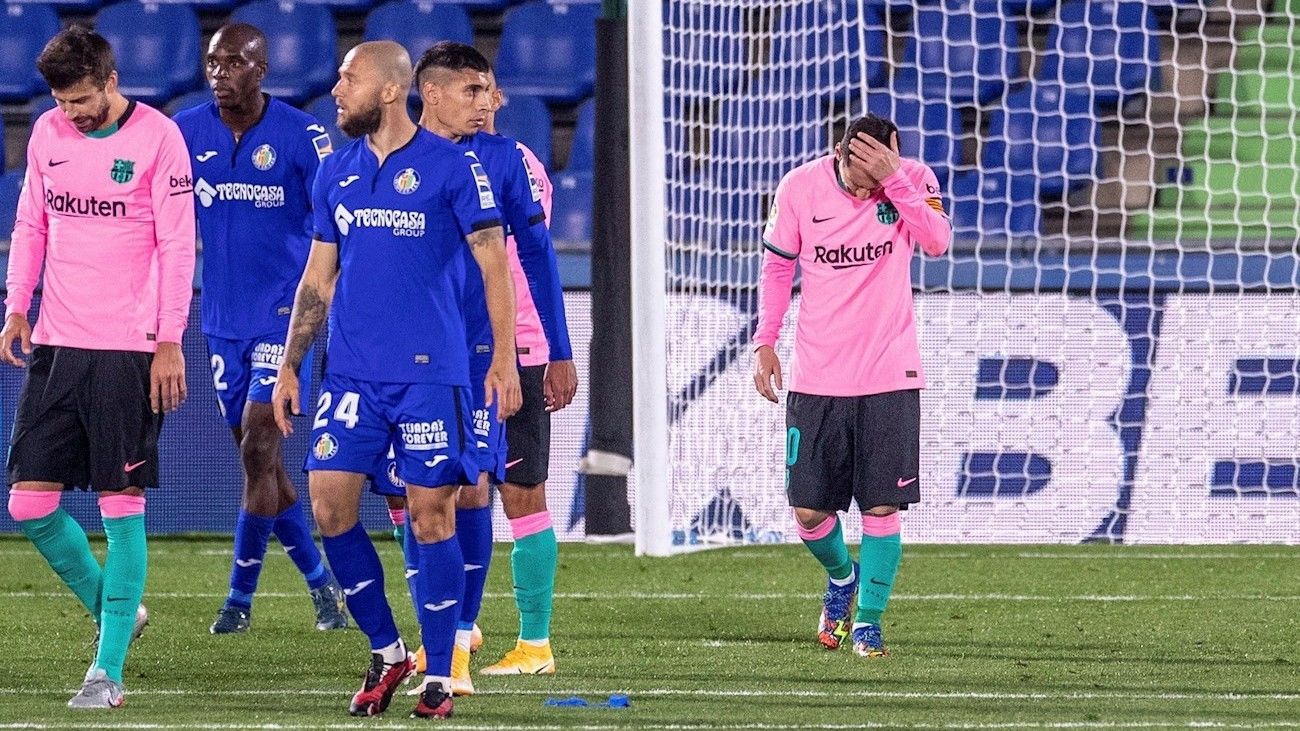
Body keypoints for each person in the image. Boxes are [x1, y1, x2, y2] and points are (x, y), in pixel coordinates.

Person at [270, 41, 520, 720]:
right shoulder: (336, 173)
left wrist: (503, 356)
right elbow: (318, 277)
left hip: (429, 378)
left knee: (433, 514)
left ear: (388, 90)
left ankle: (440, 671)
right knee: (329, 507)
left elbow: (494, 262)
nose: (336, 90)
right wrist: (290, 363)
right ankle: (387, 648)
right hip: (350, 375)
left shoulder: (453, 168)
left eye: (348, 78)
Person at [1, 26, 195, 708]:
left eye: (81, 98)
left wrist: (168, 338)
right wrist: (17, 305)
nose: (71, 112)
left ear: (110, 81)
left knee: (121, 506)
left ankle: (106, 671)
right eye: (61, 99)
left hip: (129, 348)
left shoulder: (159, 139)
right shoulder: (49, 133)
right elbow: (32, 223)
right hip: (58, 342)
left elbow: (177, 243)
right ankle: (120, 611)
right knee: (29, 502)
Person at [394, 43, 575, 695]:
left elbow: (533, 258)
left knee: (495, 492)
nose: (488, 101)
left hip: (503, 354)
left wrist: (555, 349)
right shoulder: (406, 160)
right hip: (426, 356)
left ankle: (515, 641)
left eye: (490, 91)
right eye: (474, 90)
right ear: (434, 94)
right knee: (426, 495)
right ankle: (449, 636)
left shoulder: (512, 163)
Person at [751, 113, 950, 658]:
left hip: (890, 373)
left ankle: (869, 621)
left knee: (882, 507)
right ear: (839, 154)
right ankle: (843, 578)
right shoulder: (799, 187)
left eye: (877, 166)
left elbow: (937, 241)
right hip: (818, 377)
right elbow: (775, 269)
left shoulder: (913, 179)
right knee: (810, 513)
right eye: (858, 168)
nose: (866, 182)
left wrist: (895, 179)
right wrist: (765, 340)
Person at [174, 22, 347, 637]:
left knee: (257, 448)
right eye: (214, 64)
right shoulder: (184, 132)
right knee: (264, 471)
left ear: (262, 68)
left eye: (235, 63)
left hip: (284, 317)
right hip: (220, 320)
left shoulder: (304, 137)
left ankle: (237, 600)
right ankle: (322, 587)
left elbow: (335, 225)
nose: (221, 74)